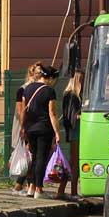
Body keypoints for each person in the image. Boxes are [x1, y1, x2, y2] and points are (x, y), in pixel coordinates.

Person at [18, 63, 56, 199]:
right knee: (41, 159)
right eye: (54, 80)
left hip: (30, 128)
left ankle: (31, 188)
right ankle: (39, 189)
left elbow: (23, 110)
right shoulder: (49, 91)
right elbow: (52, 113)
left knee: (34, 158)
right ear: (50, 78)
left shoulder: (27, 89)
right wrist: (57, 132)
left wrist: (22, 127)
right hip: (44, 128)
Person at [49, 67, 86, 202]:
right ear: (77, 80)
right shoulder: (72, 96)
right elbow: (73, 116)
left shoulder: (73, 95)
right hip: (76, 131)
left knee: (73, 161)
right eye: (82, 80)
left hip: (76, 130)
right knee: (74, 162)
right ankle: (73, 191)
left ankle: (63, 190)